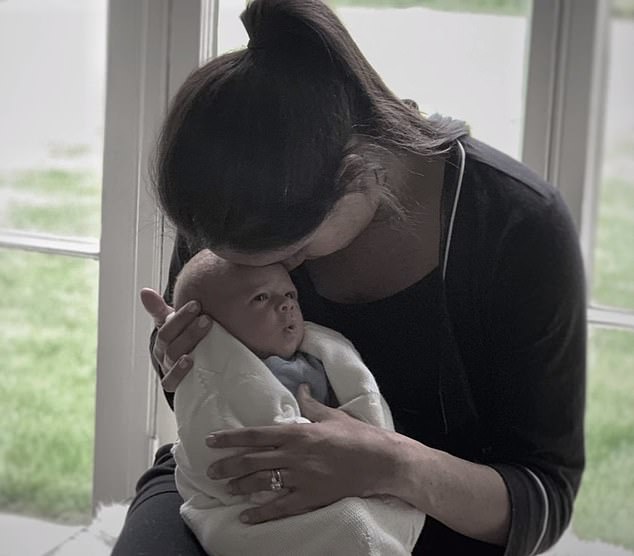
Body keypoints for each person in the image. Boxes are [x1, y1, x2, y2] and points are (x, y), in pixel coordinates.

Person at [112, 0, 586, 554]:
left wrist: (391, 464)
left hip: (424, 515)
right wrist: (184, 358)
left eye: (289, 254)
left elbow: (542, 499)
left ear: (361, 172)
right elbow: (213, 385)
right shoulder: (238, 187)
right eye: (236, 262)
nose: (272, 274)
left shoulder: (516, 224)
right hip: (232, 490)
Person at [169, 249, 424, 555]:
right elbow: (219, 451)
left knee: (368, 519)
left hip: (354, 472)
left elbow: (363, 404)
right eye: (261, 298)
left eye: (290, 294)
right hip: (271, 501)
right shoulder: (222, 382)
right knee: (351, 528)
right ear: (213, 326)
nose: (286, 304)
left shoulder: (321, 355)